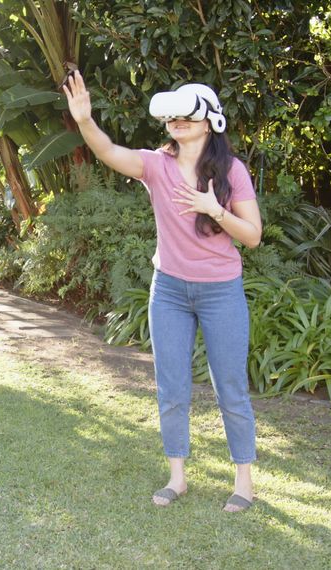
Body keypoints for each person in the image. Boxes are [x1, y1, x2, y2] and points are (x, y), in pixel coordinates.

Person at [61, 70, 262, 513]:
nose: (177, 123)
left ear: (210, 123)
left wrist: (215, 210)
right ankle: (177, 478)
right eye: (172, 118)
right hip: (168, 290)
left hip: (220, 291)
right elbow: (109, 151)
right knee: (171, 387)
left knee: (230, 387)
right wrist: (84, 121)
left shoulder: (231, 171)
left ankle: (243, 482)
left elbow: (252, 236)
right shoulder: (156, 164)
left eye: (187, 117)